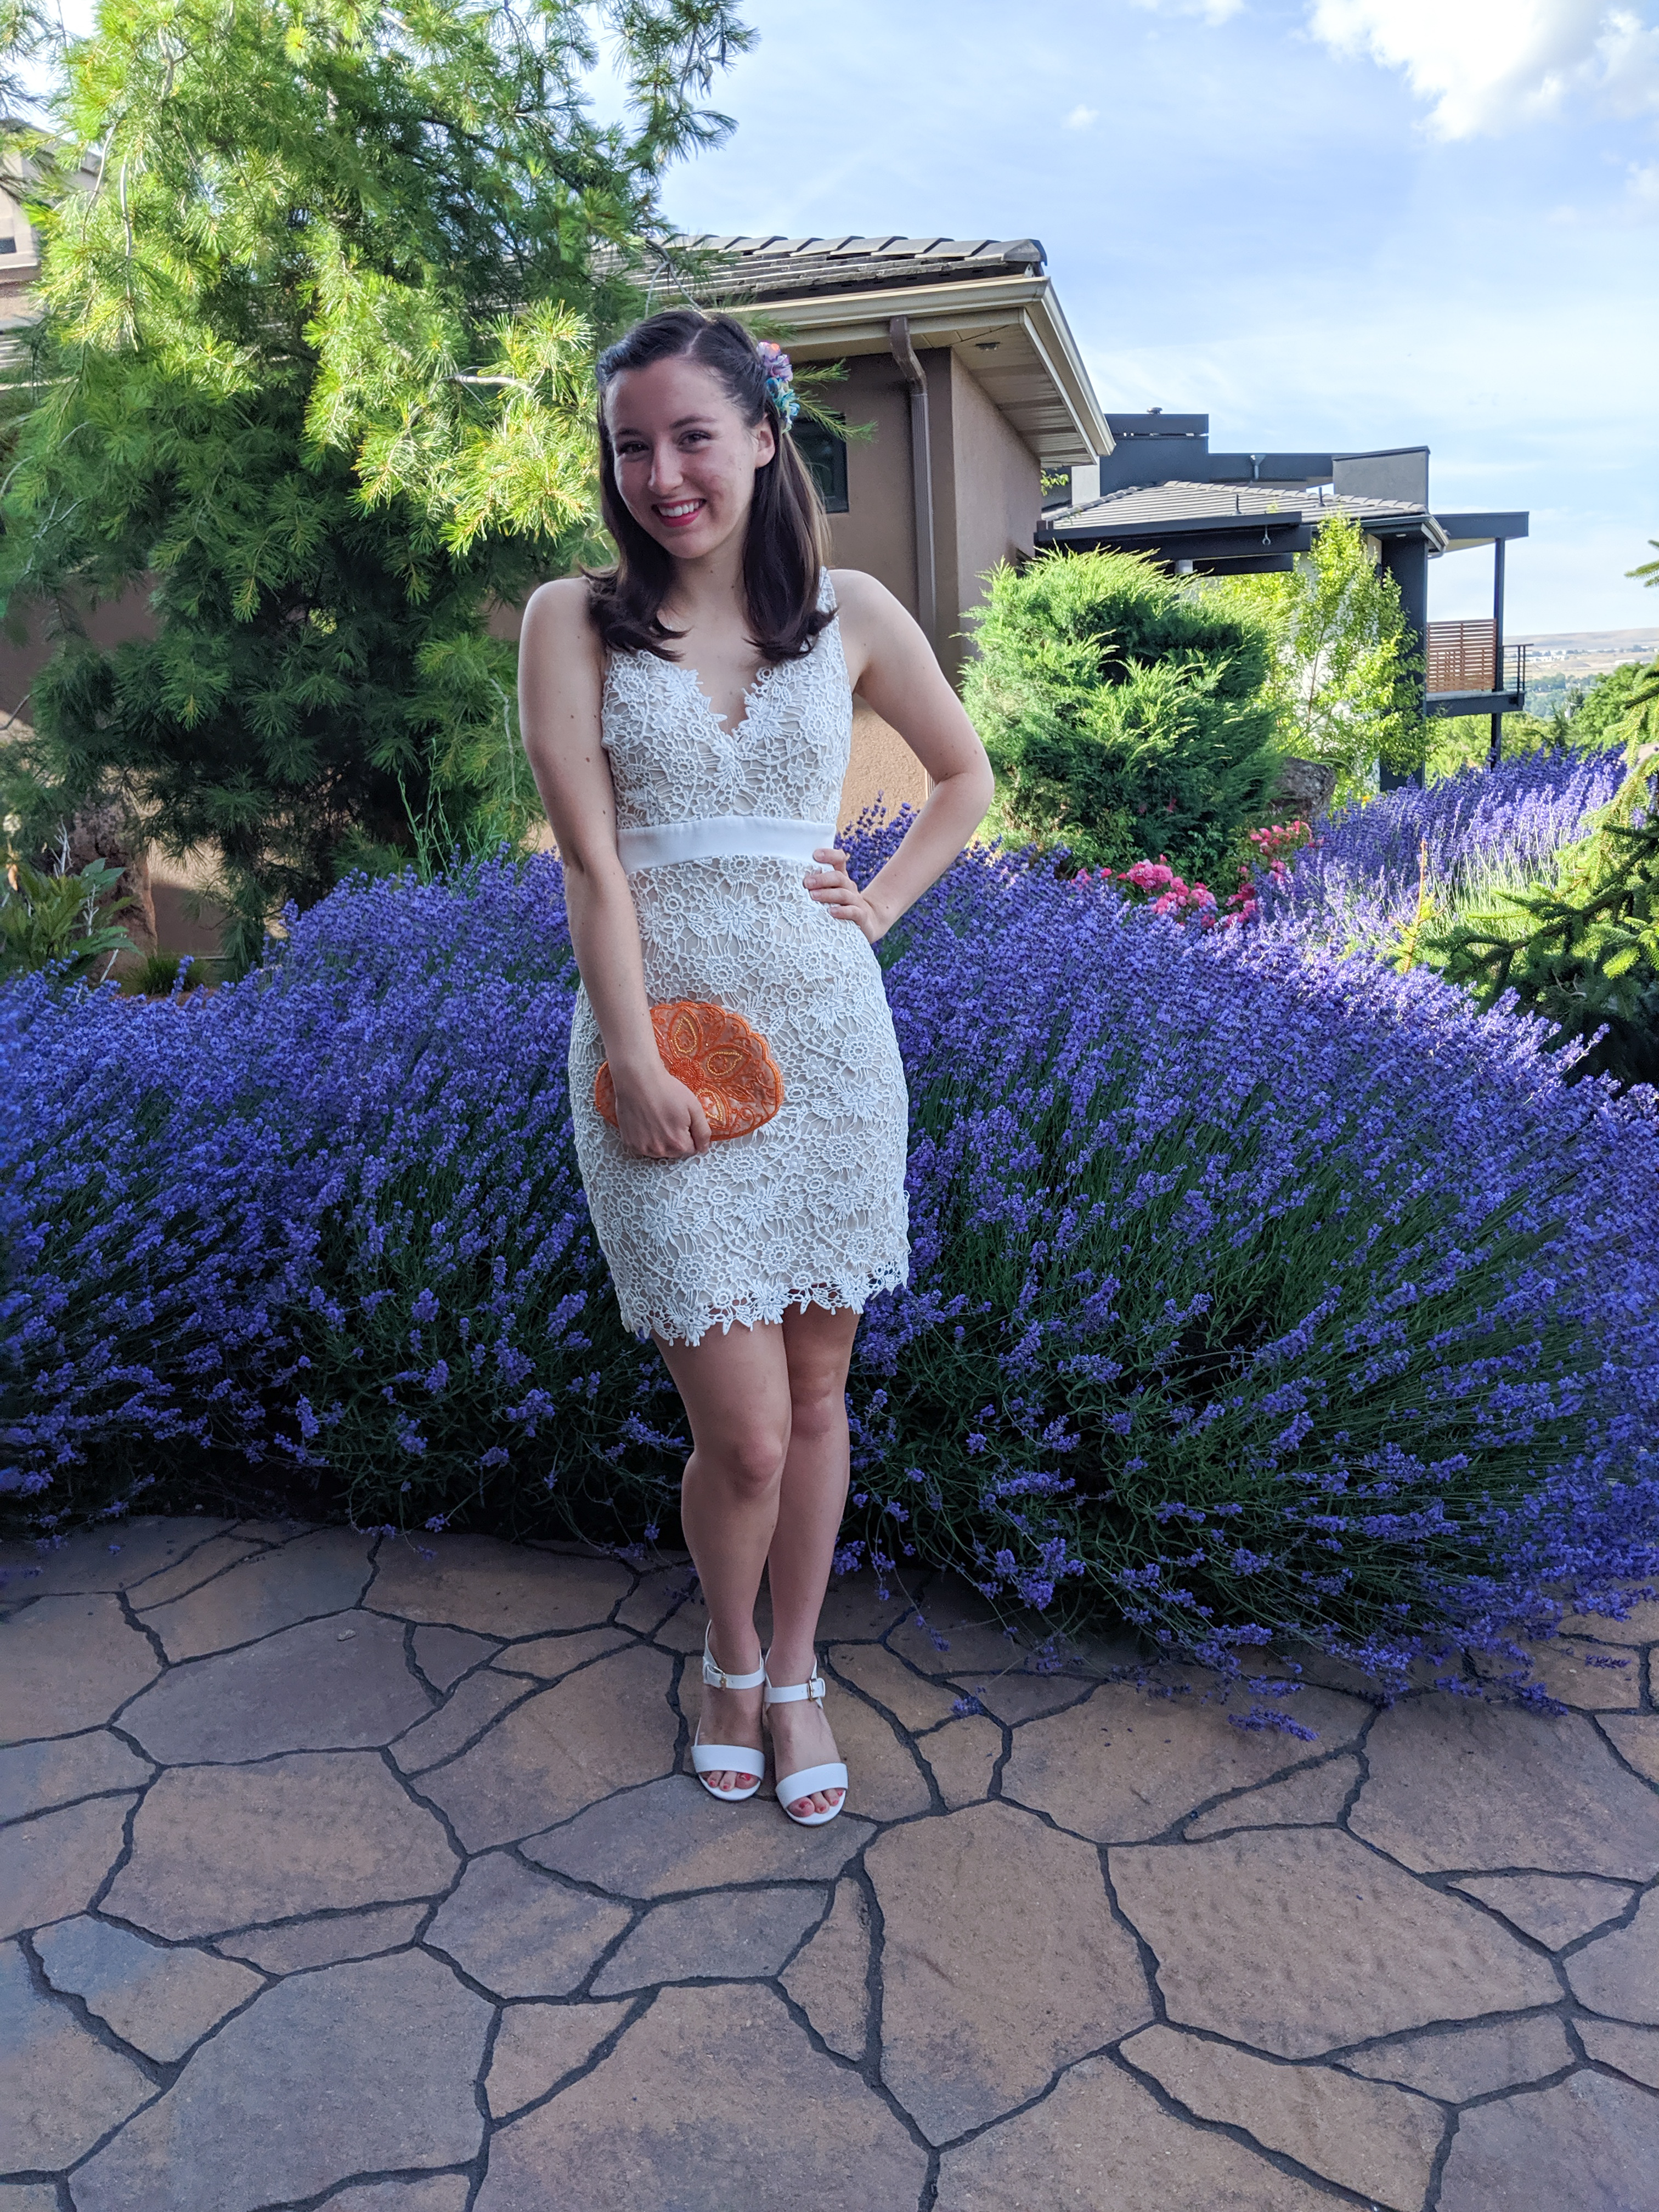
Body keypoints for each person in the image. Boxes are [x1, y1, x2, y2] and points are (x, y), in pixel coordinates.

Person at [518, 308, 991, 1824]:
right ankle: (724, 1652)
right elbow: (593, 871)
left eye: (692, 436)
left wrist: (883, 902)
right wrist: (639, 1057)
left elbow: (964, 776)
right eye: (633, 445)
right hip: (662, 1057)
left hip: (835, 1047)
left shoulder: (849, 609)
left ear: (764, 436)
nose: (663, 473)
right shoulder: (571, 622)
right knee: (747, 1430)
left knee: (822, 1391)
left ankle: (793, 1672)